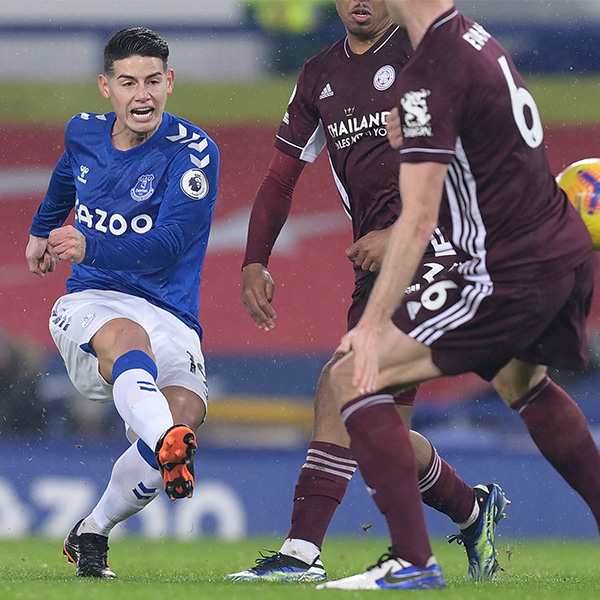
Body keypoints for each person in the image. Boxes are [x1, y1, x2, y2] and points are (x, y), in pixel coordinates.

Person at [316, 0, 600, 590]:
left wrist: (369, 327)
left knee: (352, 375)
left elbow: (417, 221)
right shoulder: (476, 40)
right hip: (559, 251)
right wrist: (417, 129)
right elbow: (483, 138)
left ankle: (412, 562)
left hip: (506, 268)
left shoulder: (430, 70)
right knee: (524, 383)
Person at [227, 0, 507, 584]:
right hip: (379, 270)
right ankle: (473, 510)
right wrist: (255, 260)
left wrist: (402, 228)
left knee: (342, 379)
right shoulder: (319, 73)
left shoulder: (426, 52)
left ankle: (302, 553)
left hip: (442, 255)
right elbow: (281, 179)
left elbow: (478, 159)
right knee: (379, 431)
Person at [25, 27, 219, 579]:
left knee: (185, 417)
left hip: (172, 315)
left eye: (154, 81)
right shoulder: (82, 133)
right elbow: (68, 173)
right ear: (105, 88)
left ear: (170, 82)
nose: (143, 95)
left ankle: (92, 532)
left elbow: (168, 244)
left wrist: (88, 240)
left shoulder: (195, 150)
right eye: (129, 82)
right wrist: (42, 230)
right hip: (94, 300)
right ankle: (166, 441)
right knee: (137, 361)